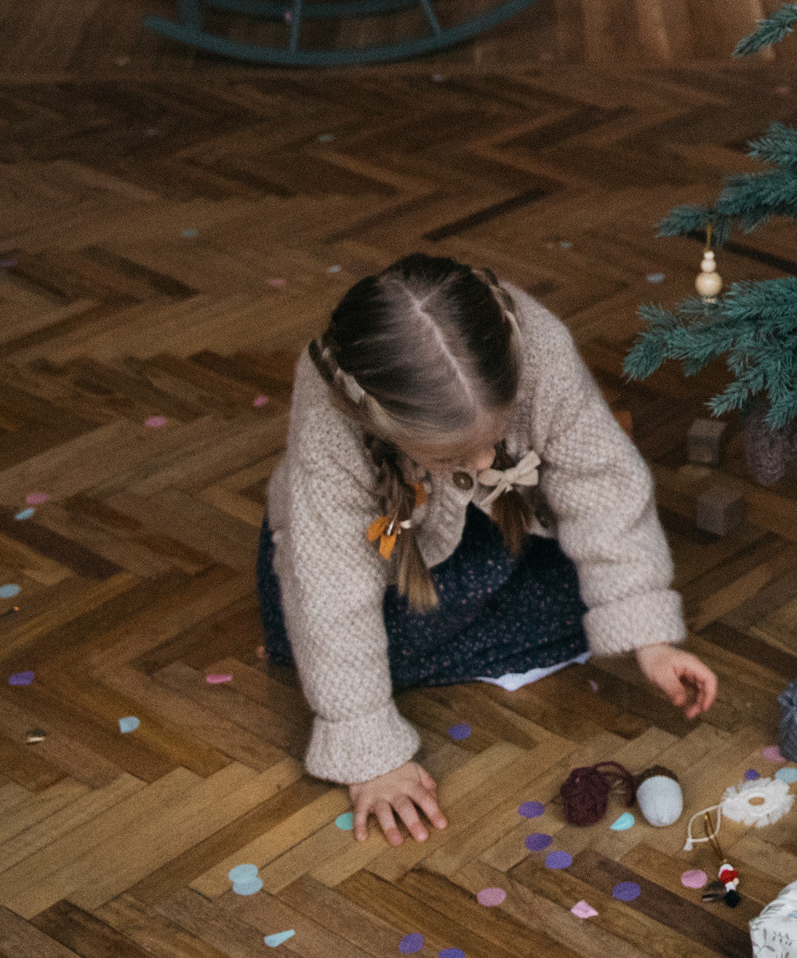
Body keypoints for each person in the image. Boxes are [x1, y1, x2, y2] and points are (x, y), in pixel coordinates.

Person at [258, 254, 716, 843]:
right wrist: (367, 748)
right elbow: (329, 585)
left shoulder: (540, 349)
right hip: (389, 546)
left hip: (506, 526)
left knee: (595, 595)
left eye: (494, 441)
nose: (481, 464)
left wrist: (648, 637)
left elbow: (601, 487)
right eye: (452, 457)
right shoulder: (331, 415)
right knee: (335, 644)